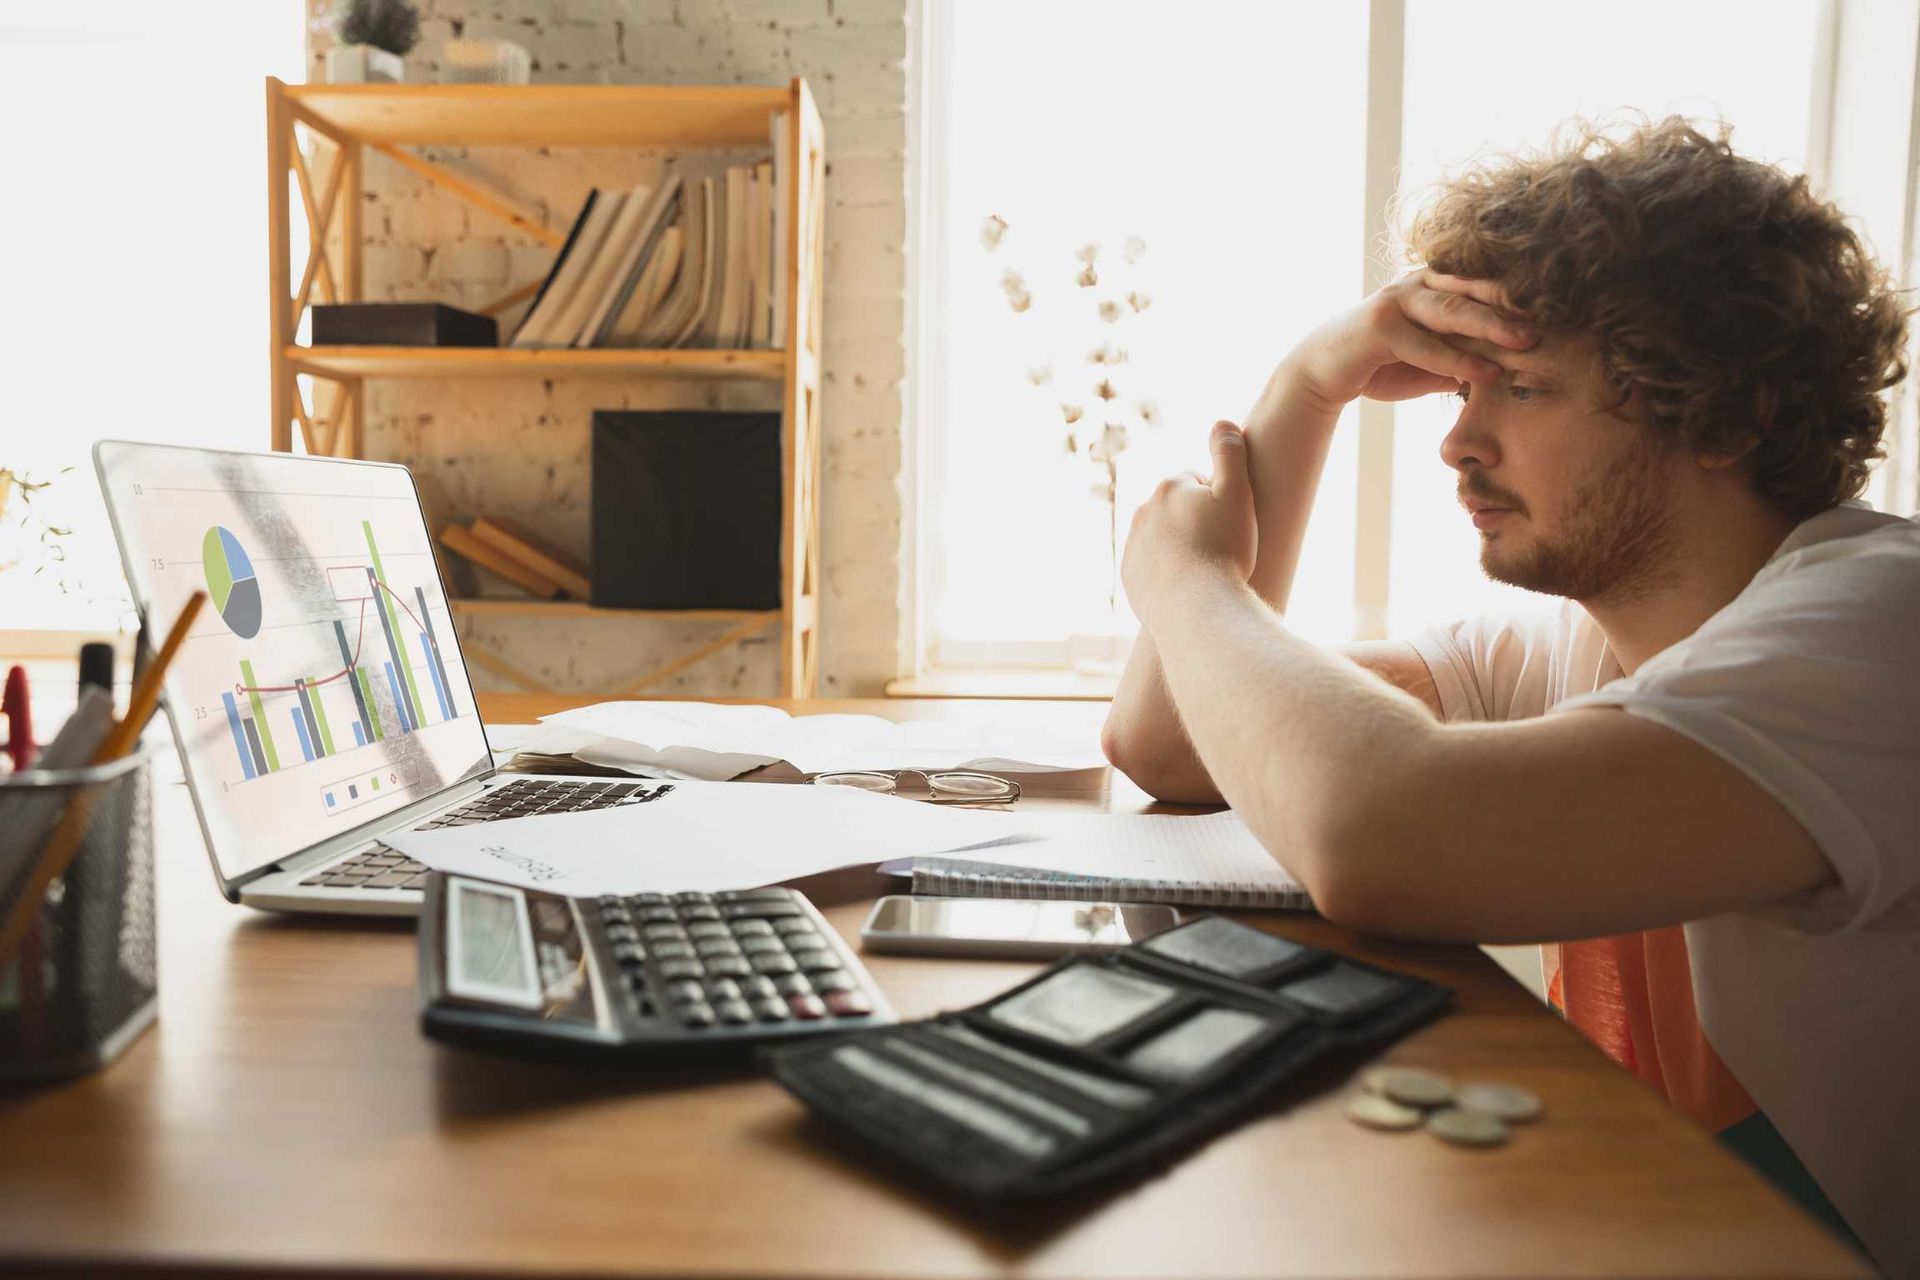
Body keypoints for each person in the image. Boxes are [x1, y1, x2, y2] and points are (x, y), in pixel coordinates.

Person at [1103, 116, 1919, 1273]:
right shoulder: (1570, 643)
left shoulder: (1884, 627)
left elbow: (1384, 830)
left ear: (1733, 419)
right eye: (1457, 391)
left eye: (1524, 386)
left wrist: (1186, 576)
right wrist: (1308, 386)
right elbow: (1172, 747)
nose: (1459, 441)